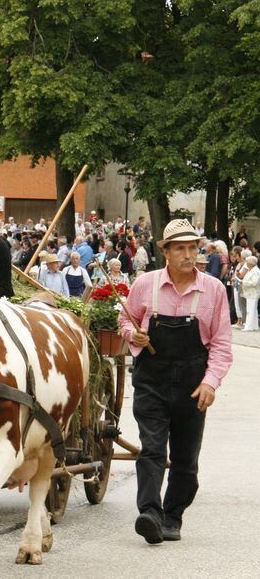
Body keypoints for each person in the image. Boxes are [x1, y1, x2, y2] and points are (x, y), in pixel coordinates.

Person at [119, 219, 233, 545]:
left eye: (192, 247)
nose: (188, 254)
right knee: (152, 450)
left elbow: (222, 344)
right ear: (165, 252)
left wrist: (211, 382)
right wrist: (134, 333)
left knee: (185, 458)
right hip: (151, 380)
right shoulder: (145, 284)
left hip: (193, 384)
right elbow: (125, 320)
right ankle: (150, 514)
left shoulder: (213, 289)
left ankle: (173, 516)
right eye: (180, 248)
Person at [240, 257, 260, 331]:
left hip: (253, 293)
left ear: (250, 263)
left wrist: (243, 282)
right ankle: (254, 326)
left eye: (247, 262)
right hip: (250, 293)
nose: (246, 264)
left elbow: (254, 283)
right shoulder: (251, 270)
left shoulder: (256, 271)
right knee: (253, 310)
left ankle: (249, 326)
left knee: (250, 310)